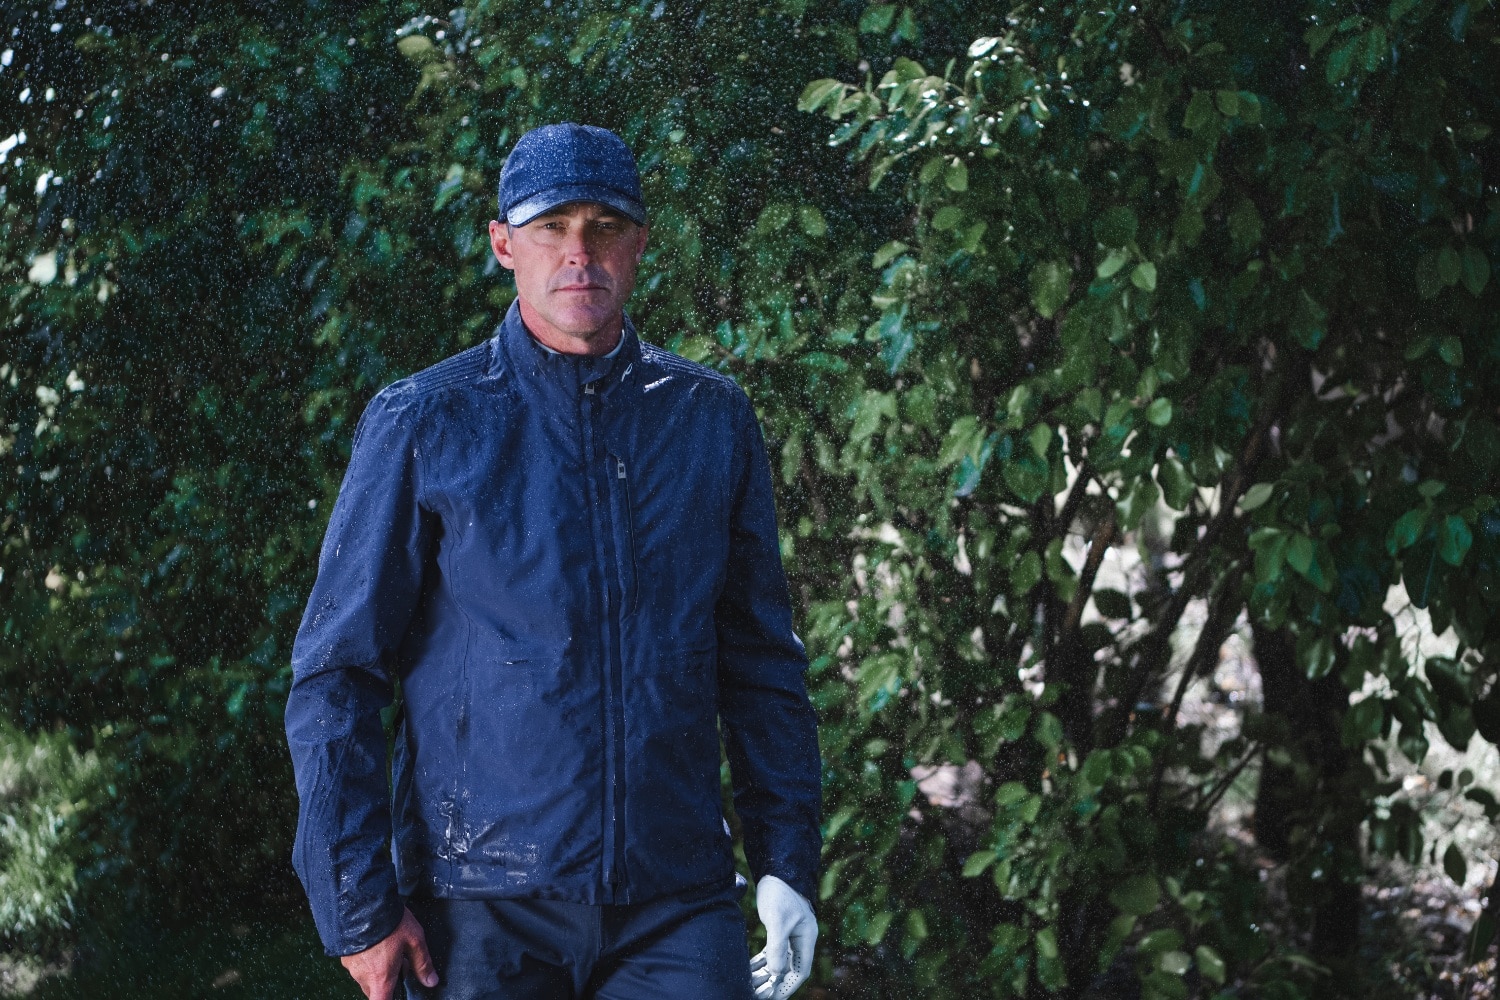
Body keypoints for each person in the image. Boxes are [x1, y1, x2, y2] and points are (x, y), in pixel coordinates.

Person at [284, 122, 822, 1000]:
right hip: (479, 910)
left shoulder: (710, 422)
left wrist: (787, 861)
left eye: (605, 227)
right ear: (504, 244)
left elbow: (761, 662)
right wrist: (360, 908)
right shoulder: (427, 424)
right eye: (550, 228)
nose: (580, 253)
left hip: (676, 900)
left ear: (641, 243)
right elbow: (338, 675)